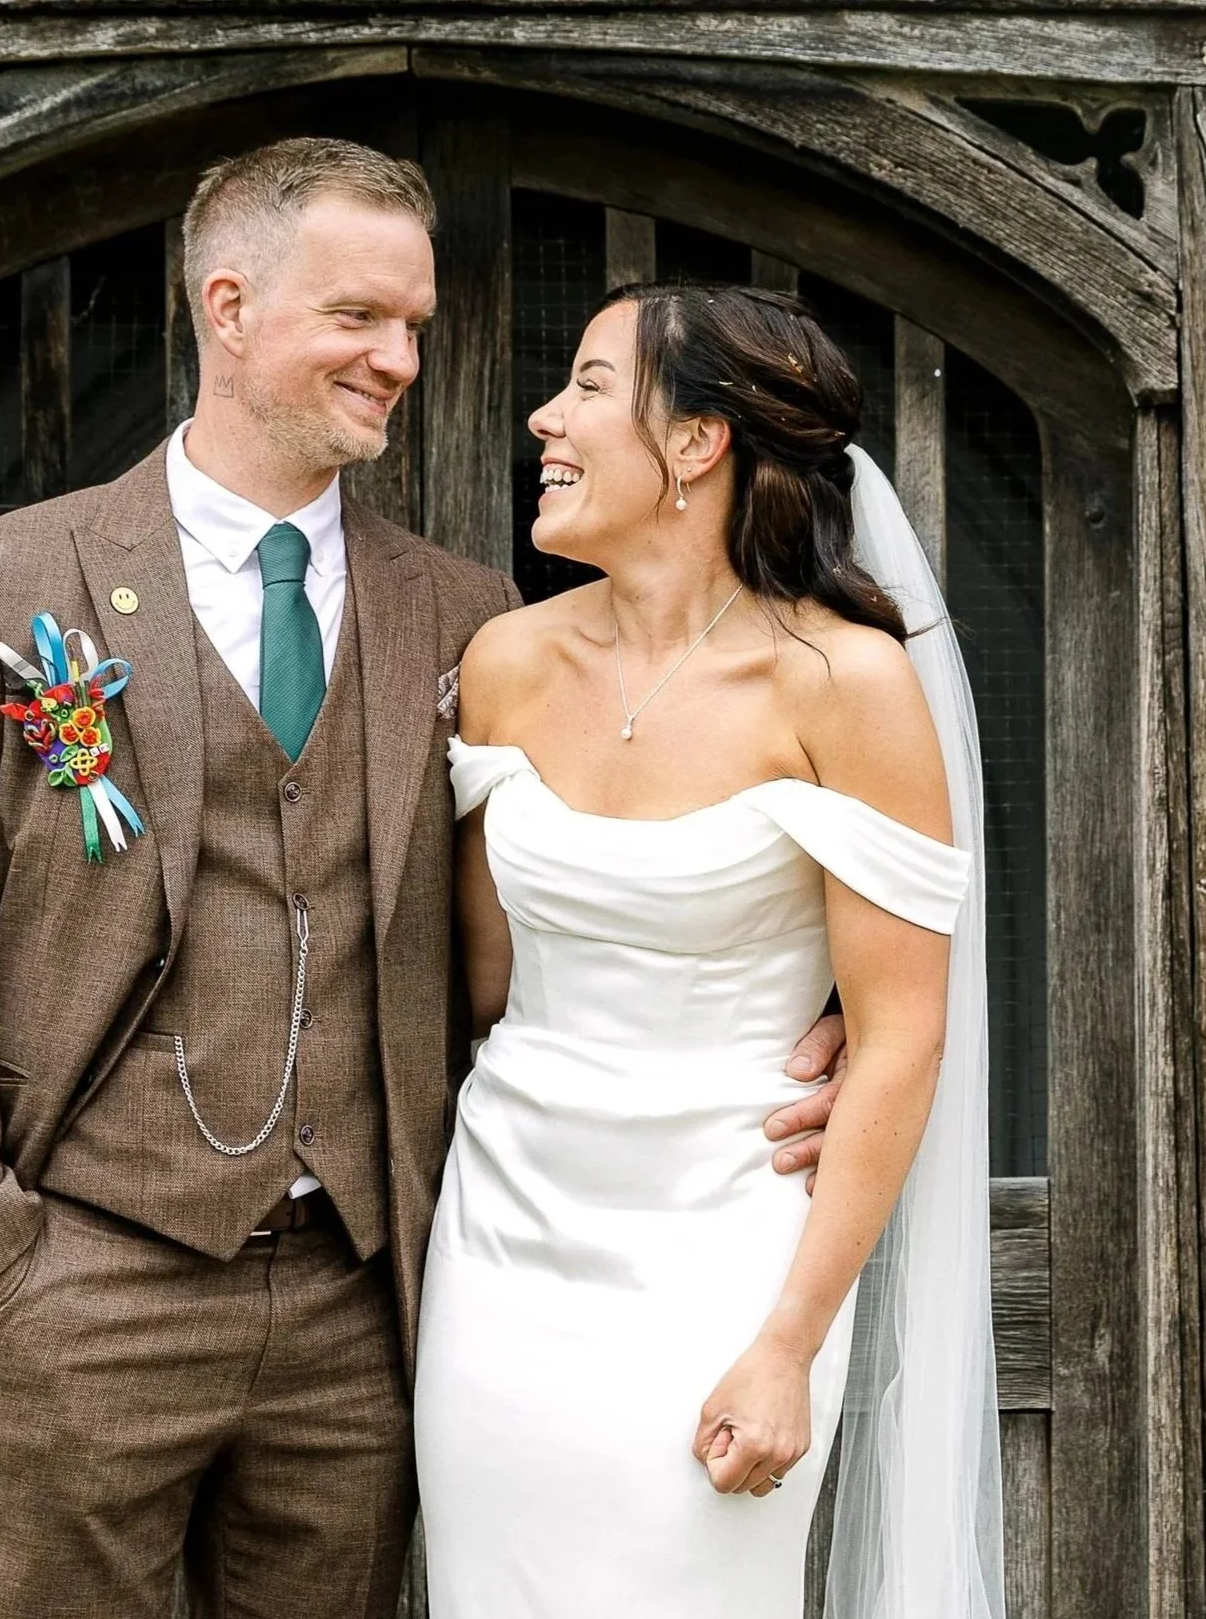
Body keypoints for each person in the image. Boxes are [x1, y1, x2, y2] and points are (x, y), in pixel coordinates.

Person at [0, 139, 850, 1618]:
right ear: (230, 308)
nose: (401, 360)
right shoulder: (5, 582)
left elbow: (618, 854)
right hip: (80, 1279)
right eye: (361, 318)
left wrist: (805, 1013)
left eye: (418, 327)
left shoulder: (474, 615)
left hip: (363, 1306)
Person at [415, 283, 1004, 1616]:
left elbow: (904, 1031)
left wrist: (790, 1341)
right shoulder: (505, 661)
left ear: (697, 443)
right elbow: (485, 984)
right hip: (505, 1247)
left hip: (728, 1255)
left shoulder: (843, 686)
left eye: (587, 385)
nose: (543, 419)